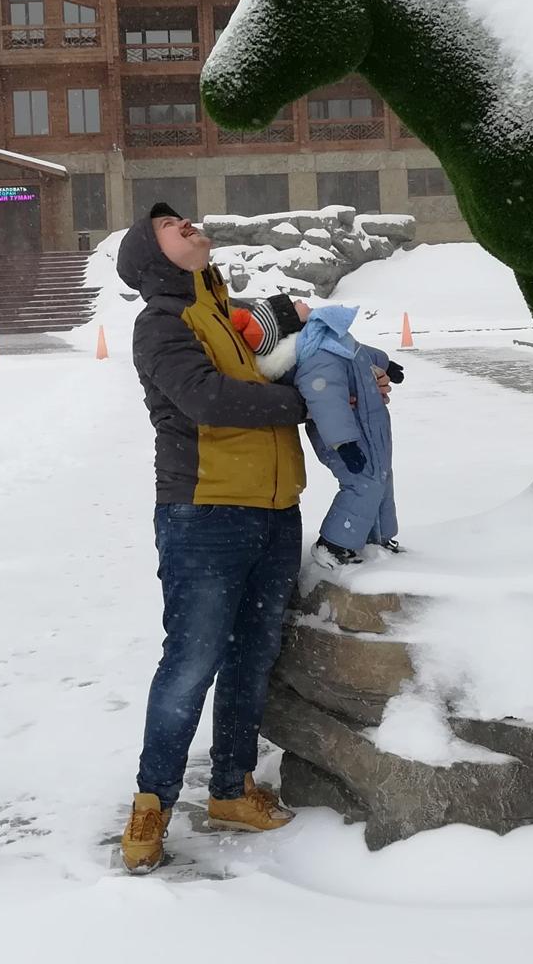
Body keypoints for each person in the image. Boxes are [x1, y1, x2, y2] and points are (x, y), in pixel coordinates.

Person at [114, 202, 310, 874]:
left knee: (252, 658)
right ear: (150, 254)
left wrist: (348, 377)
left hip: (276, 509)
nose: (189, 226)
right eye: (171, 227)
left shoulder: (230, 314)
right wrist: (304, 404)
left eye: (188, 220)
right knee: (191, 664)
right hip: (205, 514)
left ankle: (231, 789)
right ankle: (152, 804)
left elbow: (288, 361)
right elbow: (209, 400)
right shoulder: (161, 323)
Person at [232, 294, 404, 568]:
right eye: (294, 305)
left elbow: (358, 352)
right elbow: (328, 404)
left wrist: (385, 363)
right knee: (362, 483)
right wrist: (344, 444)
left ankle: (378, 539)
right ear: (290, 324)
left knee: (381, 478)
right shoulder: (315, 359)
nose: (301, 301)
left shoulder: (325, 338)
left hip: (371, 428)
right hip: (349, 436)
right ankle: (334, 544)